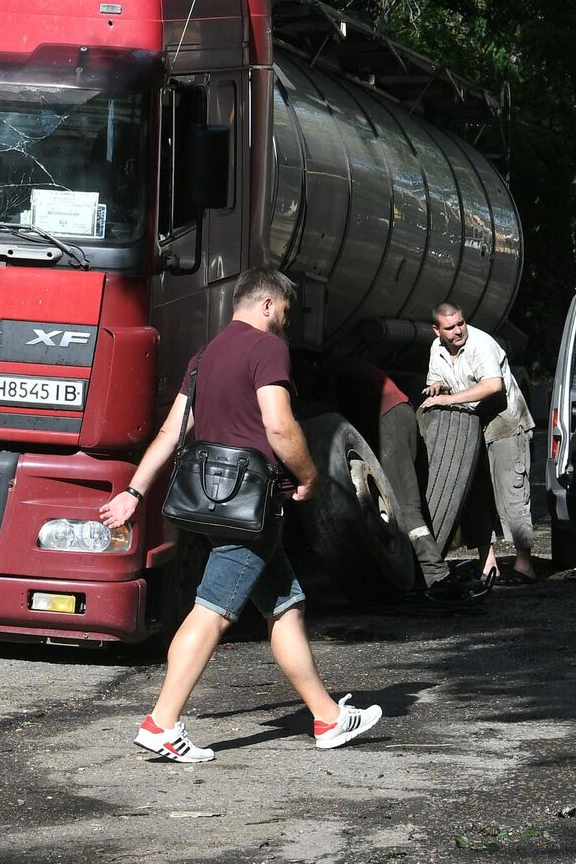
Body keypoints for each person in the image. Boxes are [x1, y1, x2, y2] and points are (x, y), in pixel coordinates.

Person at [98, 269, 383, 763]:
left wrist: (134, 492)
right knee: (211, 612)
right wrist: (311, 478)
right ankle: (161, 723)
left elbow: (171, 433)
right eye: (286, 315)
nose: (285, 327)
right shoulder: (266, 349)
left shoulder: (204, 356)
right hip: (252, 507)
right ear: (268, 304)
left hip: (213, 502)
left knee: (284, 606)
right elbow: (278, 425)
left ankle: (328, 717)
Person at [326, 357, 484, 603]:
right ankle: (424, 570)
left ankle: (436, 575)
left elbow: (337, 422)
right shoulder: (350, 367)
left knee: (405, 506)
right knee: (411, 501)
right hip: (402, 413)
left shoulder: (331, 370)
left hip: (388, 419)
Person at [420, 303, 538, 585]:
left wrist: (447, 399)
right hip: (471, 426)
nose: (458, 330)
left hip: (504, 422)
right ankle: (489, 565)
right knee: (474, 494)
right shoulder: (437, 348)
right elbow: (437, 378)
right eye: (450, 327)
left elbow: (493, 385)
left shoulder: (481, 343)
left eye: (461, 323)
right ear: (437, 330)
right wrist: (438, 387)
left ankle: (524, 566)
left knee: (512, 492)